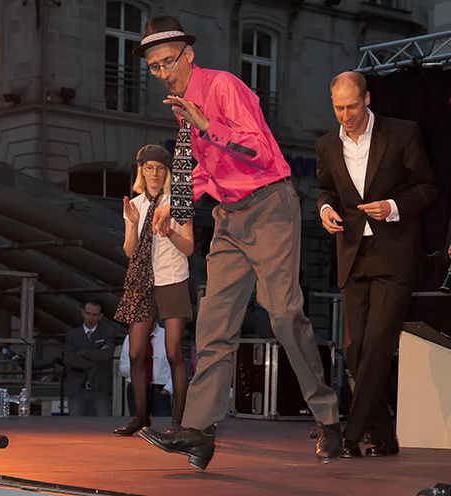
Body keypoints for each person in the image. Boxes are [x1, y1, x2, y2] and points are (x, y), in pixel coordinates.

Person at [134, 16, 342, 470]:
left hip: (269, 205)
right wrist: (175, 206)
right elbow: (206, 170)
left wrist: (207, 124)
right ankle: (199, 432)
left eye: (169, 61)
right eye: (154, 67)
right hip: (229, 215)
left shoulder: (223, 87)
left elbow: (260, 152)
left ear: (189, 54)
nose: (164, 72)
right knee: (214, 321)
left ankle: (328, 417)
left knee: (283, 314)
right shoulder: (181, 107)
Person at [316, 71, 437, 457]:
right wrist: (325, 209)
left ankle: (351, 434)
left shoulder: (402, 133)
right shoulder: (326, 144)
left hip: (394, 253)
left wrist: (394, 206)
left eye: (352, 106)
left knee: (379, 342)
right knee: (354, 349)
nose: (346, 115)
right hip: (353, 253)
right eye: (339, 108)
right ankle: (383, 434)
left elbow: (427, 187)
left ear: (367, 99)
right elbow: (326, 190)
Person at [113, 144, 192, 436]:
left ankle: (178, 422)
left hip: (172, 278)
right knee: (135, 352)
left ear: (168, 172)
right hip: (142, 281)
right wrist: (134, 224)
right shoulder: (135, 204)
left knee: (173, 352)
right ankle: (141, 416)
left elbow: (189, 247)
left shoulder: (178, 202)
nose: (155, 173)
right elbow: (129, 250)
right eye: (149, 168)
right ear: (142, 171)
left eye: (160, 168)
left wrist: (170, 233)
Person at [63, 298, 117, 416]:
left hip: (100, 388)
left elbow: (107, 355)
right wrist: (95, 358)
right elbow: (69, 358)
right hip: (77, 389)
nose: (90, 317)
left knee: (102, 424)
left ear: (100, 316)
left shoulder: (108, 333)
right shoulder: (72, 335)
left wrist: (81, 353)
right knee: (76, 425)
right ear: (83, 313)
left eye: (94, 314)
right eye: (88, 313)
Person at [117, 321, 173, 422]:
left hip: (160, 389)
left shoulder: (167, 335)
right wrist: (136, 364)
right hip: (136, 387)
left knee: (162, 423)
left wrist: (167, 389)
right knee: (137, 422)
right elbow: (123, 367)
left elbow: (175, 365)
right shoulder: (131, 337)